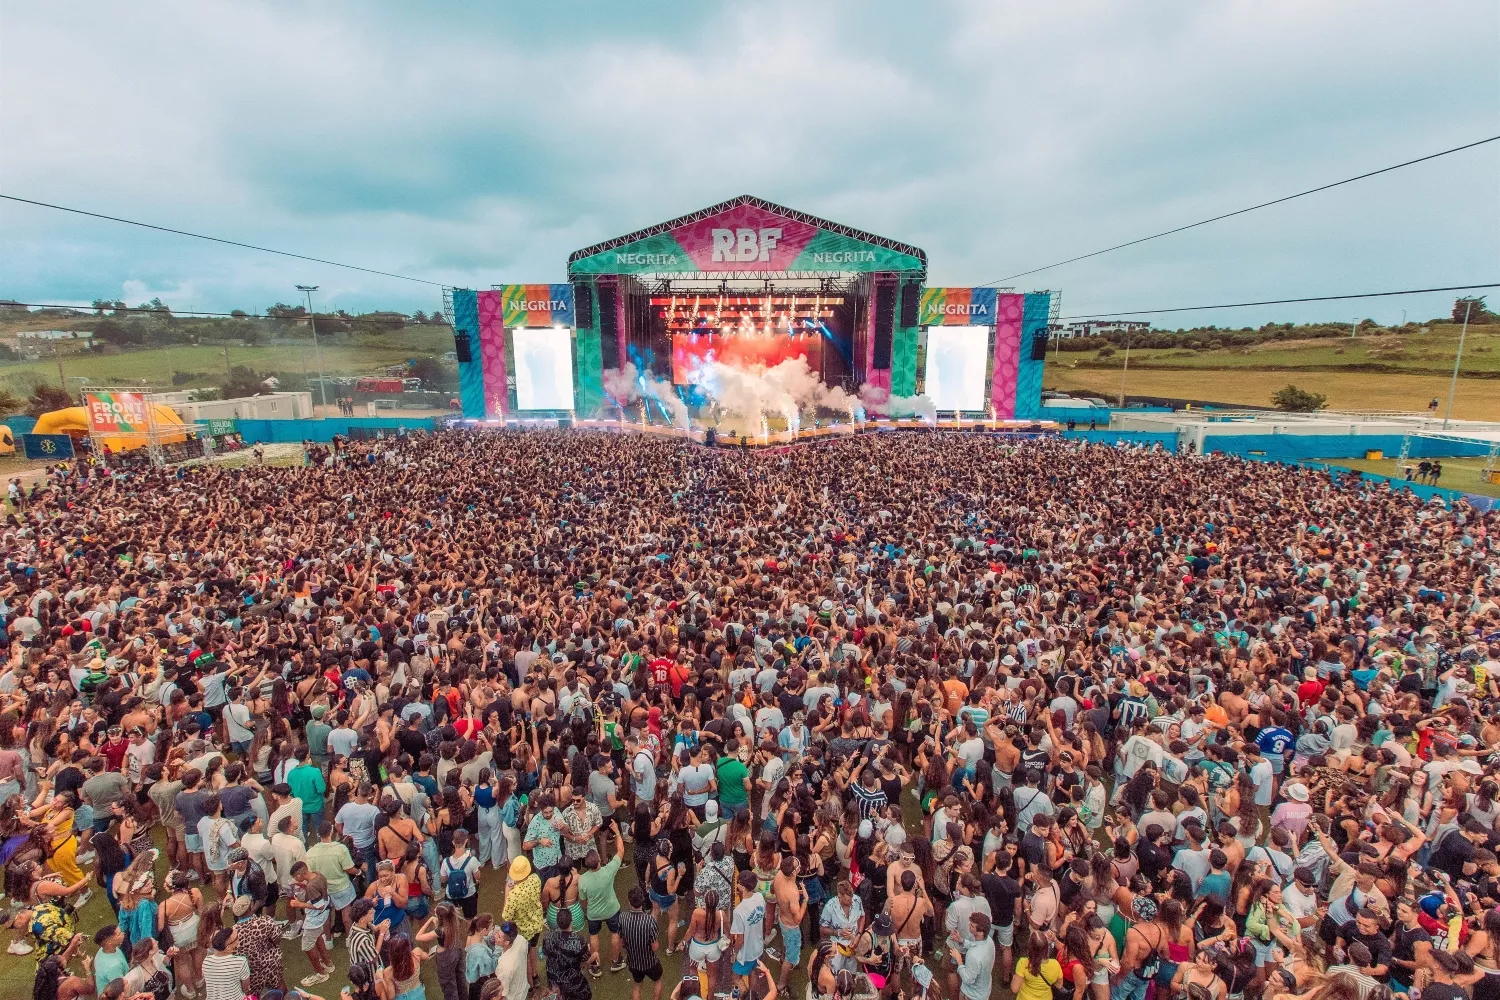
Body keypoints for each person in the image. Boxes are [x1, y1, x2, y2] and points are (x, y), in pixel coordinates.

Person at [621, 887, 664, 1000]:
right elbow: (655, 947)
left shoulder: (623, 918)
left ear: (629, 901)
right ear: (643, 901)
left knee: (637, 985)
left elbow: (622, 942)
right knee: (658, 980)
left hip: (633, 962)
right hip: (650, 962)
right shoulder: (650, 921)